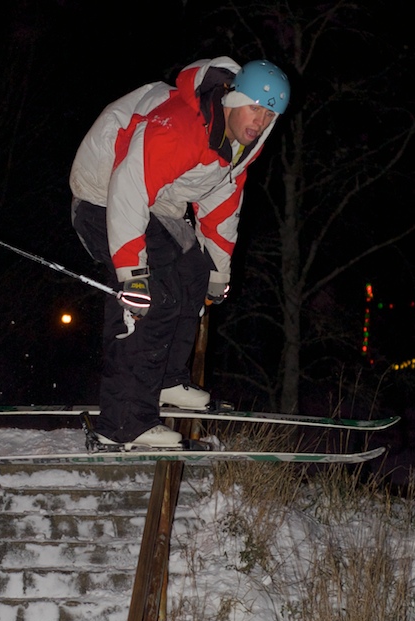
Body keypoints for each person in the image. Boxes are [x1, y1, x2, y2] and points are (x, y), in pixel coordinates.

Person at [70, 56, 290, 447]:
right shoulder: (184, 127)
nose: (259, 122)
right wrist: (131, 275)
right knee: (155, 298)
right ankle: (123, 424)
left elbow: (222, 207)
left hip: (156, 206)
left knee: (193, 275)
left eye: (269, 115)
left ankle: (165, 380)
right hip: (102, 197)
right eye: (254, 108)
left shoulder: (238, 148)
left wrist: (217, 274)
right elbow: (129, 188)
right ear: (232, 99)